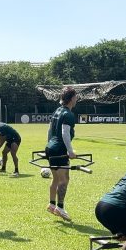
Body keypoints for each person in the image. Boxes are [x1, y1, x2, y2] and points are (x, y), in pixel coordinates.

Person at [45, 86, 78, 222]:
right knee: (64, 180)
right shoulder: (68, 114)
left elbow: (49, 130)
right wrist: (70, 151)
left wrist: (49, 145)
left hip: (51, 148)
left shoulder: (57, 111)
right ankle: (60, 207)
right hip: (59, 150)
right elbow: (65, 133)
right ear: (71, 98)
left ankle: (52, 204)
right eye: (75, 97)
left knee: (55, 179)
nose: (76, 99)